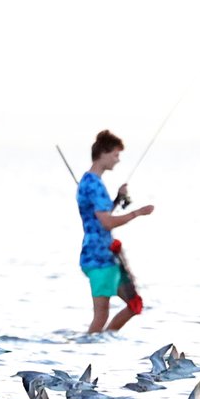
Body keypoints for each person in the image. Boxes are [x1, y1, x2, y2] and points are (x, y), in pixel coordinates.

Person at [77, 130, 155, 333]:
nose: (117, 160)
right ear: (103, 153)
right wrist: (137, 213)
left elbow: (101, 216)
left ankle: (107, 340)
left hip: (108, 256)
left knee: (134, 304)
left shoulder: (92, 181)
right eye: (115, 155)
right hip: (97, 257)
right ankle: (90, 348)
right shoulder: (93, 184)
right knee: (101, 315)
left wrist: (118, 199)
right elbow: (106, 223)